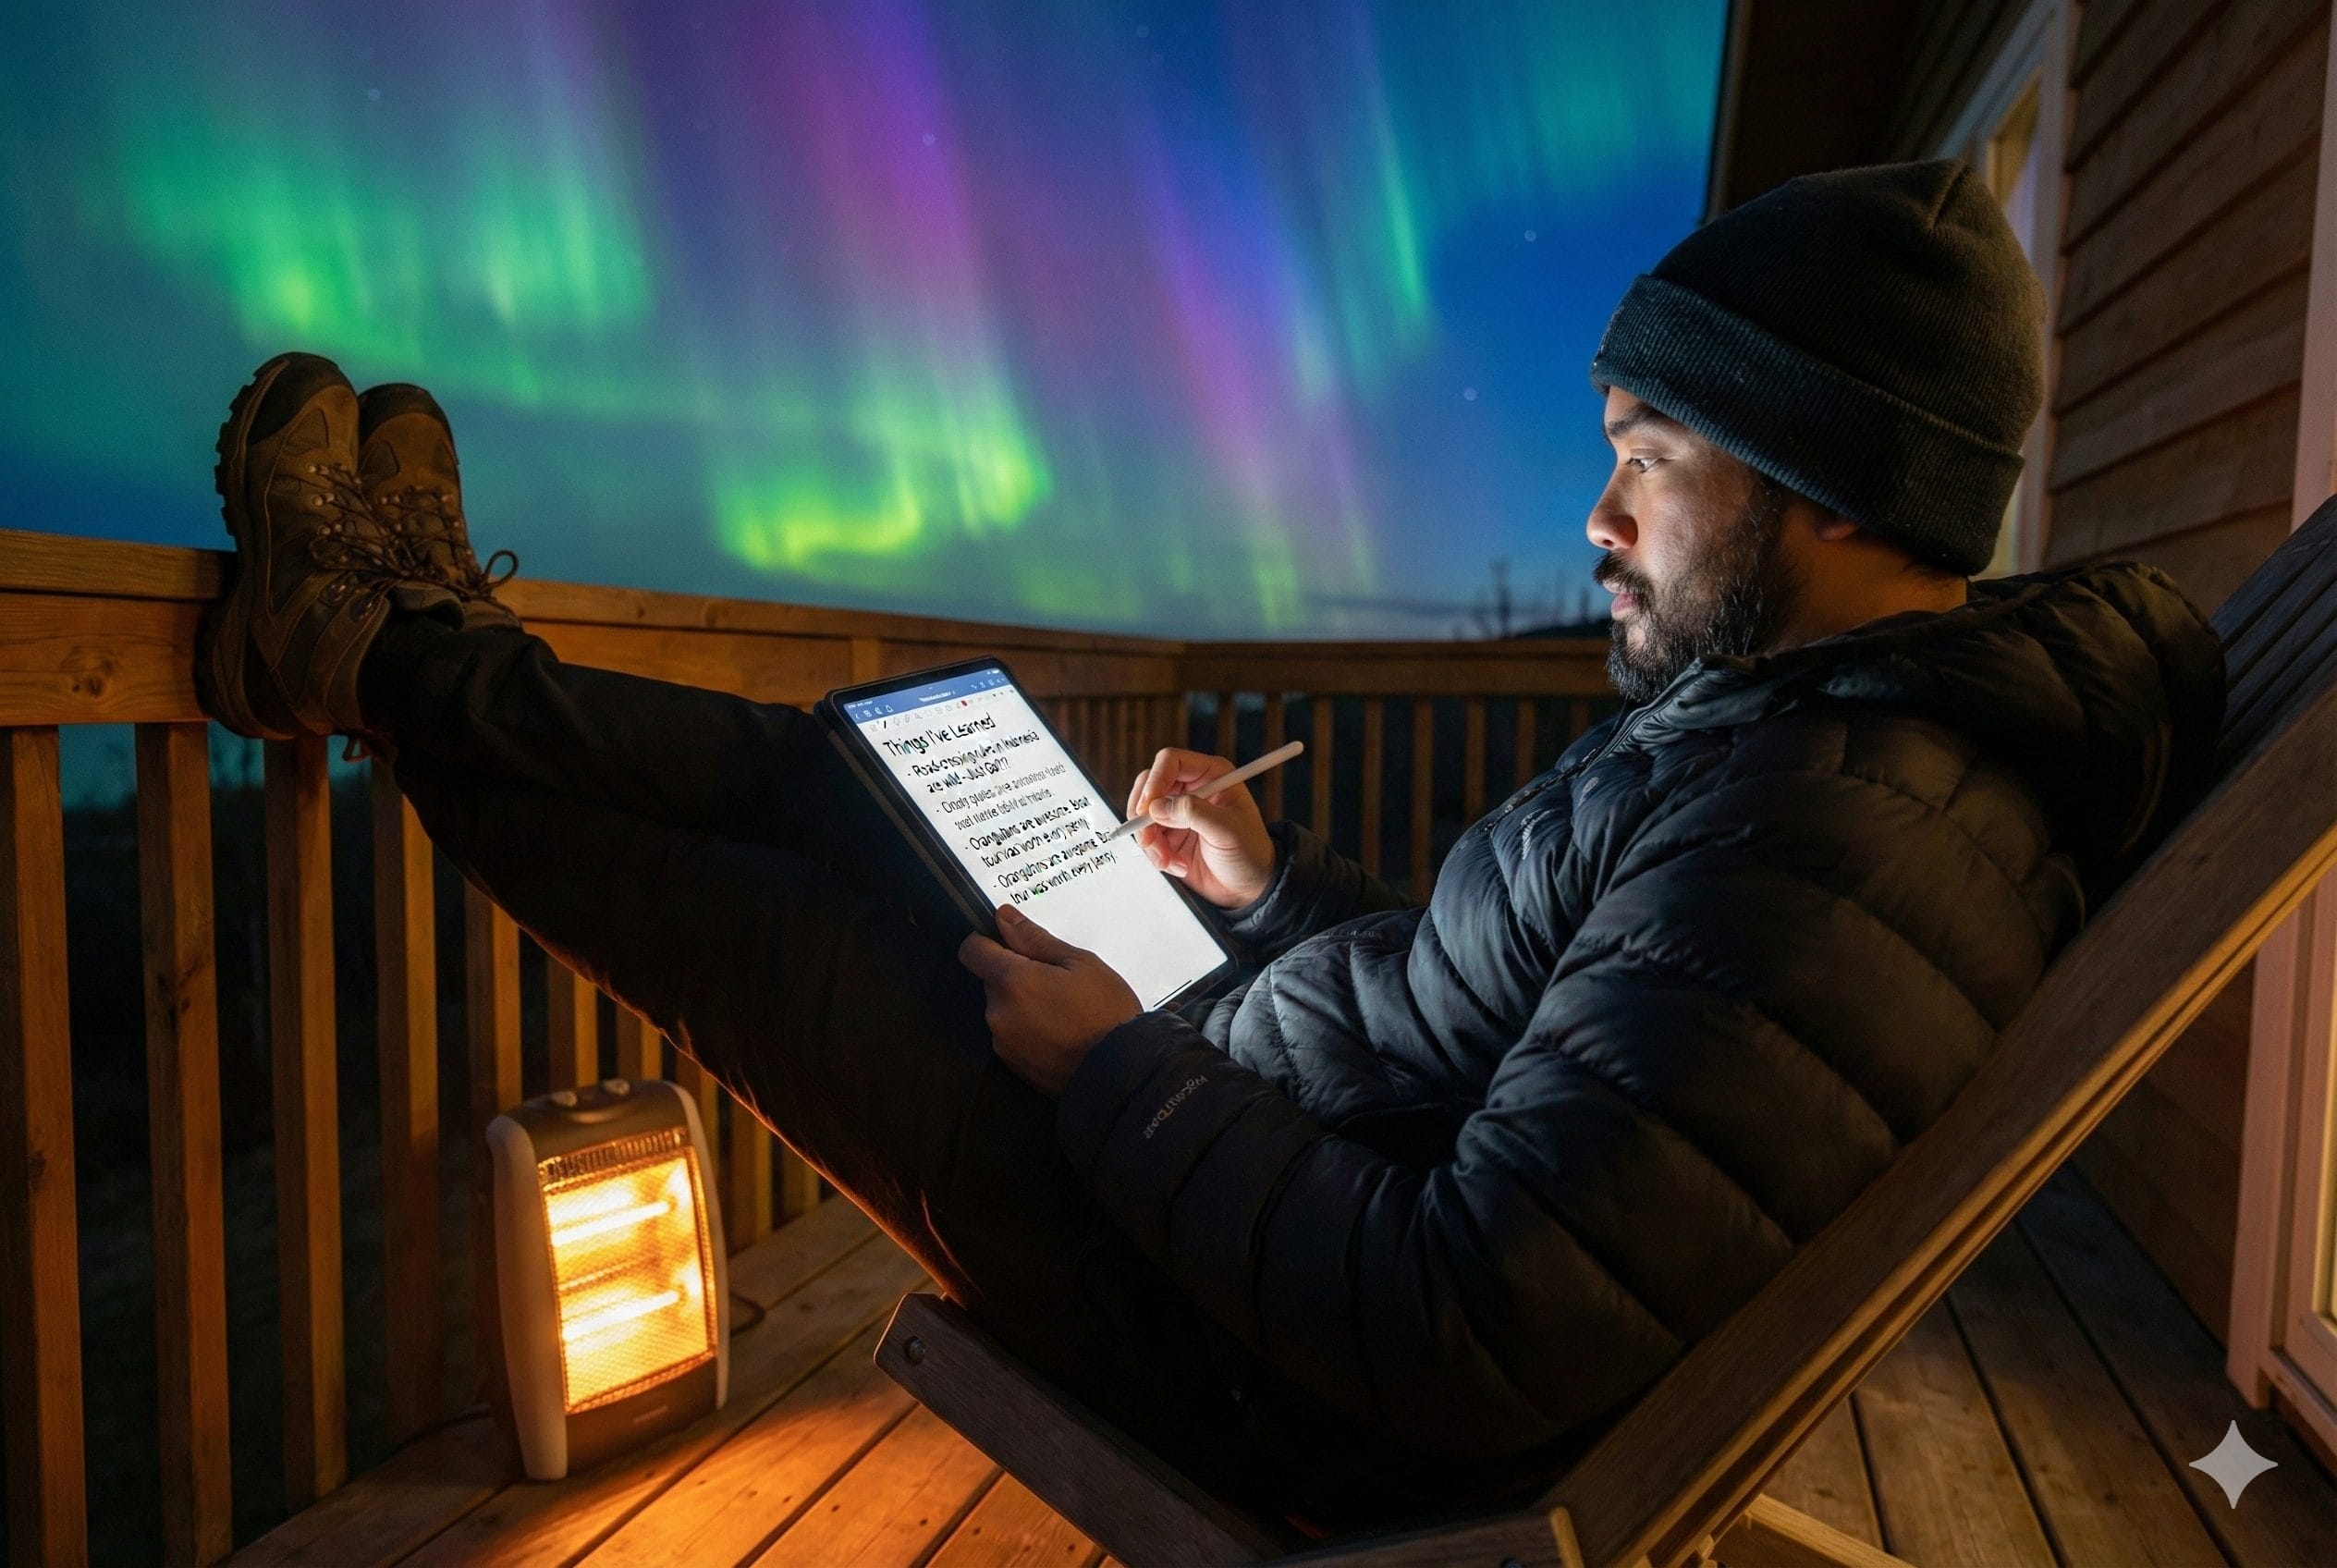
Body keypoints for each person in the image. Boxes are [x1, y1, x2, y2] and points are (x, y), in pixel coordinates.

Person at [192, 159, 2226, 1536]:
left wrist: (1118, 1070)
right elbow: (1536, 1033)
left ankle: (366, 653)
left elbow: (1459, 1321)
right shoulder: (1830, 741)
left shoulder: (1839, 840)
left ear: (1831, 487)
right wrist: (1273, 895)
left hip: (1254, 1347)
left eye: (1647, 453)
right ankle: (419, 642)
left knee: (779, 933)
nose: (1600, 516)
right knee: (846, 783)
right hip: (1245, 1141)